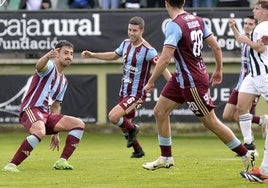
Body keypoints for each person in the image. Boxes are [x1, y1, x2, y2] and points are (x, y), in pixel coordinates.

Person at [142, 0, 255, 173]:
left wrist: (150, 82)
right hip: (182, 77)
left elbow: (164, 59)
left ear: (166, 3)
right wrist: (218, 69)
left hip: (191, 81)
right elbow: (216, 47)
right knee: (160, 111)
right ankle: (166, 157)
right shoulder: (198, 20)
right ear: (184, 2)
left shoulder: (174, 25)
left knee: (211, 122)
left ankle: (245, 154)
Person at [81, 16, 171, 158]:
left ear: (142, 31)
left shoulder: (149, 50)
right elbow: (113, 55)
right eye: (129, 30)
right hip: (124, 91)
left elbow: (162, 67)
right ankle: (138, 150)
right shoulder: (125, 44)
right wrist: (93, 54)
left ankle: (134, 129)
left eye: (134, 30)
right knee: (124, 125)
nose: (131, 33)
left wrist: (172, 84)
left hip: (137, 94)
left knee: (113, 116)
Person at [2, 40, 85, 172]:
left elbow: (56, 106)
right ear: (57, 54)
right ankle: (11, 165)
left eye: (71, 54)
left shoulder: (64, 81)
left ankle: (62, 161)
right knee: (40, 132)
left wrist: (56, 132)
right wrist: (47, 56)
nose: (69, 56)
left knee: (79, 124)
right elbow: (39, 67)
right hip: (32, 109)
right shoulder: (50, 66)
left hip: (47, 114)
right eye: (65, 53)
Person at [223, 15, 268, 153]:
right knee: (229, 115)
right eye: (246, 23)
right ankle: (260, 122)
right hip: (242, 83)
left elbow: (260, 49)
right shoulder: (245, 39)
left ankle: (250, 145)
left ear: (256, 27)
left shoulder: (255, 40)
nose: (247, 26)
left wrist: (248, 40)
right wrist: (233, 28)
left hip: (256, 79)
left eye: (250, 24)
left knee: (240, 113)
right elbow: (240, 39)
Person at [235, 0, 268, 183]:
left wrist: (246, 39)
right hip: (252, 75)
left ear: (264, 11)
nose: (253, 10)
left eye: (256, 8)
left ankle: (263, 171)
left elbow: (261, 47)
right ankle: (249, 142)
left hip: (262, 74)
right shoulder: (262, 27)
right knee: (241, 107)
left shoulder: (262, 26)